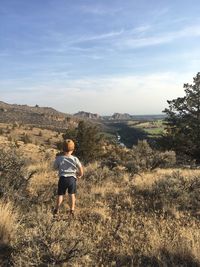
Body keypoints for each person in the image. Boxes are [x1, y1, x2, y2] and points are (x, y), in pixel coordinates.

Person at [53, 139, 83, 217]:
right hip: (72, 179)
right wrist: (80, 174)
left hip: (62, 178)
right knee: (71, 194)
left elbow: (54, 167)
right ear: (73, 149)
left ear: (63, 149)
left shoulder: (59, 158)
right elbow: (80, 168)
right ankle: (71, 210)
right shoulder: (75, 158)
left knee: (60, 195)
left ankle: (56, 209)